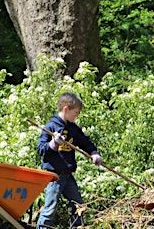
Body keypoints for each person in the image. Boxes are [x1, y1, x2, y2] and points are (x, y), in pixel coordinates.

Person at [36, 92, 103, 229]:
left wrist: (94, 153)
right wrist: (54, 143)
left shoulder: (73, 129)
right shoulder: (51, 127)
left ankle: (76, 227)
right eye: (76, 112)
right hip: (54, 175)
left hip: (67, 174)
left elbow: (85, 142)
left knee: (79, 206)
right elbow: (41, 149)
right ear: (66, 109)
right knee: (50, 209)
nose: (77, 115)